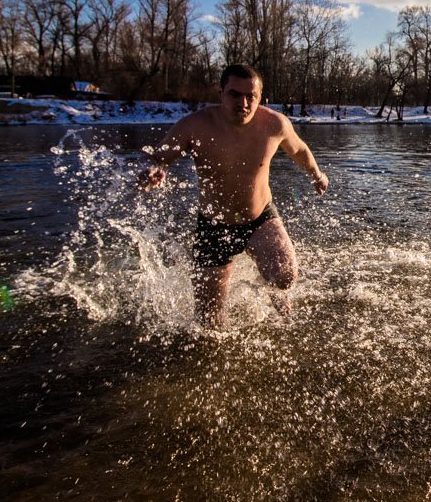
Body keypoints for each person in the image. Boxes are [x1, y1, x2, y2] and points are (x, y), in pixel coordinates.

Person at [140, 64, 328, 326]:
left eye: (251, 96)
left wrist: (317, 175)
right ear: (221, 93)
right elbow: (159, 157)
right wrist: (154, 171)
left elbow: (299, 150)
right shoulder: (195, 126)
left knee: (285, 276)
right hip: (214, 225)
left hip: (259, 218)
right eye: (234, 94)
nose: (243, 102)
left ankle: (266, 282)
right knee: (209, 322)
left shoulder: (274, 124)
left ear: (260, 97)